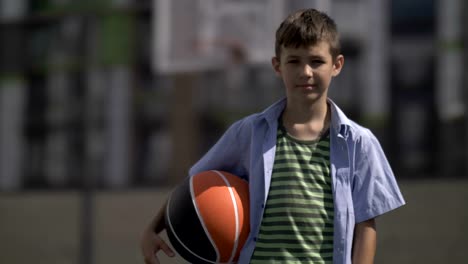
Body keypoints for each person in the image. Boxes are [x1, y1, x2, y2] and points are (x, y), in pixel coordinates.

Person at [141, 8, 405, 264]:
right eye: (294, 61)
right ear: (277, 65)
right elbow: (194, 184)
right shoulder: (249, 133)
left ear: (337, 65)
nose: (305, 72)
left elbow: (365, 226)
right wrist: (153, 228)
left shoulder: (359, 142)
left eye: (316, 61)